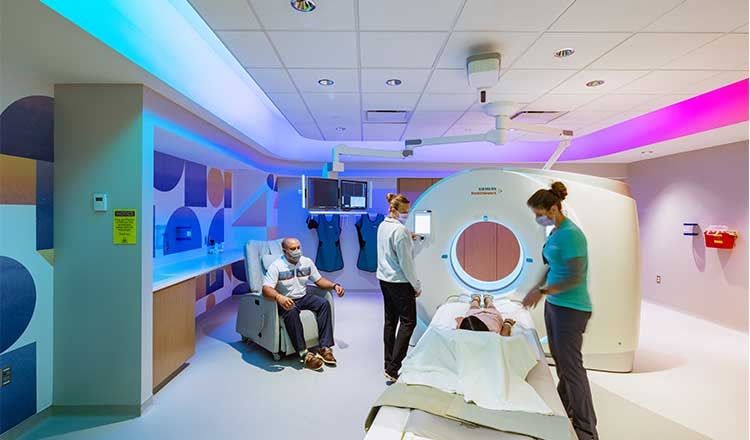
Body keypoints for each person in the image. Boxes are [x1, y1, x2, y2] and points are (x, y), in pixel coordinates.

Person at [521, 182, 598, 440]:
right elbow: (551, 266)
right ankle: (564, 411)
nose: (537, 218)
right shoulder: (555, 232)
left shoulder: (572, 234)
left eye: (539, 213)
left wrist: (542, 292)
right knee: (563, 367)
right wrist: (536, 288)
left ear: (553, 208)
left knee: (572, 369)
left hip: (571, 308)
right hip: (555, 307)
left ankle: (586, 429)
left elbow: (574, 277)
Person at [262, 237, 345, 371]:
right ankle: (304, 354)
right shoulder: (277, 266)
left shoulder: (306, 262)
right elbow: (266, 289)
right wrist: (279, 297)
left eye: (298, 247)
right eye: (293, 249)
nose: (297, 251)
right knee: (292, 310)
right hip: (286, 300)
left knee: (324, 303)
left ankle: (324, 347)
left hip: (303, 297)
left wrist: (334, 285)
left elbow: (319, 280)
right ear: (284, 251)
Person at [377, 193, 422, 383]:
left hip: (384, 279)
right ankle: (394, 369)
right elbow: (406, 263)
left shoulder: (383, 225)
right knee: (409, 322)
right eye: (405, 212)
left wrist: (408, 237)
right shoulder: (400, 231)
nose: (407, 214)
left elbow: (391, 247)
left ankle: (388, 364)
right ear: (395, 210)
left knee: (390, 321)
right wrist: (416, 286)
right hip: (400, 282)